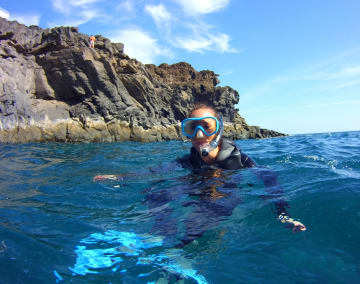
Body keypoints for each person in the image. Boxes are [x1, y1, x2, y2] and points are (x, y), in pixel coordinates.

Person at [94, 103, 306, 243]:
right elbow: (153, 171)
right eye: (192, 128)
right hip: (194, 188)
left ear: (219, 130)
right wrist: (120, 178)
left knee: (204, 212)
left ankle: (179, 250)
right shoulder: (188, 161)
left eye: (206, 126)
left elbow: (269, 179)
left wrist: (283, 215)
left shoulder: (239, 159)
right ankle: (157, 237)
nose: (199, 134)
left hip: (224, 193)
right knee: (155, 192)